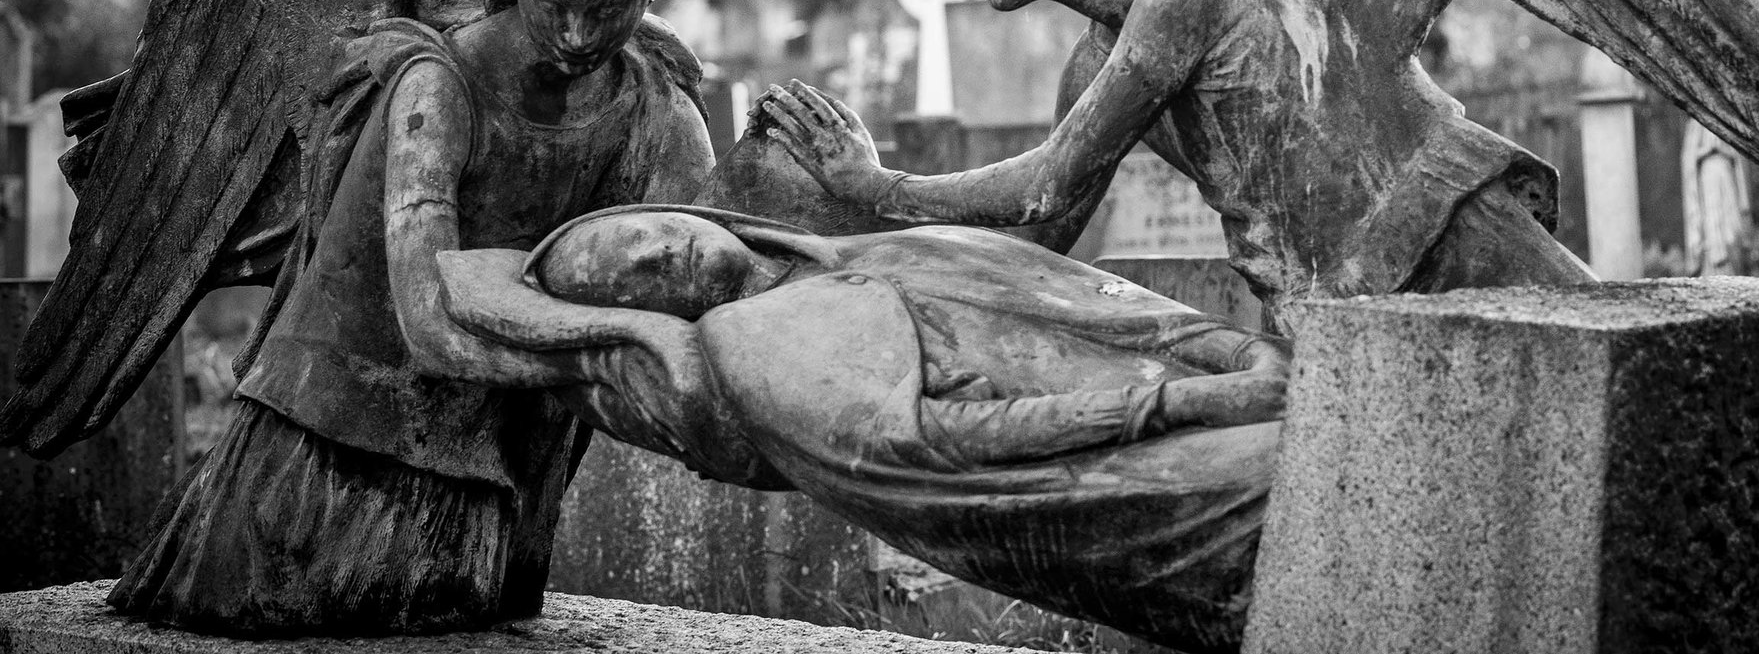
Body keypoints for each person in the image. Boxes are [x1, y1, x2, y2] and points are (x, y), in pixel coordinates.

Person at [109, 0, 715, 635]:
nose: (574, 32)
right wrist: (620, 345)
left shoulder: (656, 107)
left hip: (496, 470)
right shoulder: (437, 86)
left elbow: (712, 264)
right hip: (335, 459)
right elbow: (429, 323)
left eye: (609, 6)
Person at [761, 0, 1591, 324]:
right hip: (1345, 305)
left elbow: (1048, 177)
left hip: (1439, 237)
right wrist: (837, 244)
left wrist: (880, 187)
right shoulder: (1097, 61)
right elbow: (1046, 227)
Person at [436, 204, 1289, 654]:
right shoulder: (760, 341)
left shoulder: (872, 249)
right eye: (634, 279)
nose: (664, 255)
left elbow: (1081, 298)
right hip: (1147, 458)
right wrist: (1176, 406)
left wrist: (1237, 350)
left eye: (649, 231)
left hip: (1225, 390)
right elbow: (938, 439)